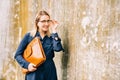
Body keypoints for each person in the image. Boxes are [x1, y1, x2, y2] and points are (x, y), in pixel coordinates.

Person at [14, 10, 64, 80]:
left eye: (48, 21)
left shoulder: (51, 37)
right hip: (34, 72)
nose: (46, 24)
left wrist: (54, 31)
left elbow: (57, 48)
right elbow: (17, 55)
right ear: (37, 23)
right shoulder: (29, 36)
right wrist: (27, 65)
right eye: (43, 21)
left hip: (49, 72)